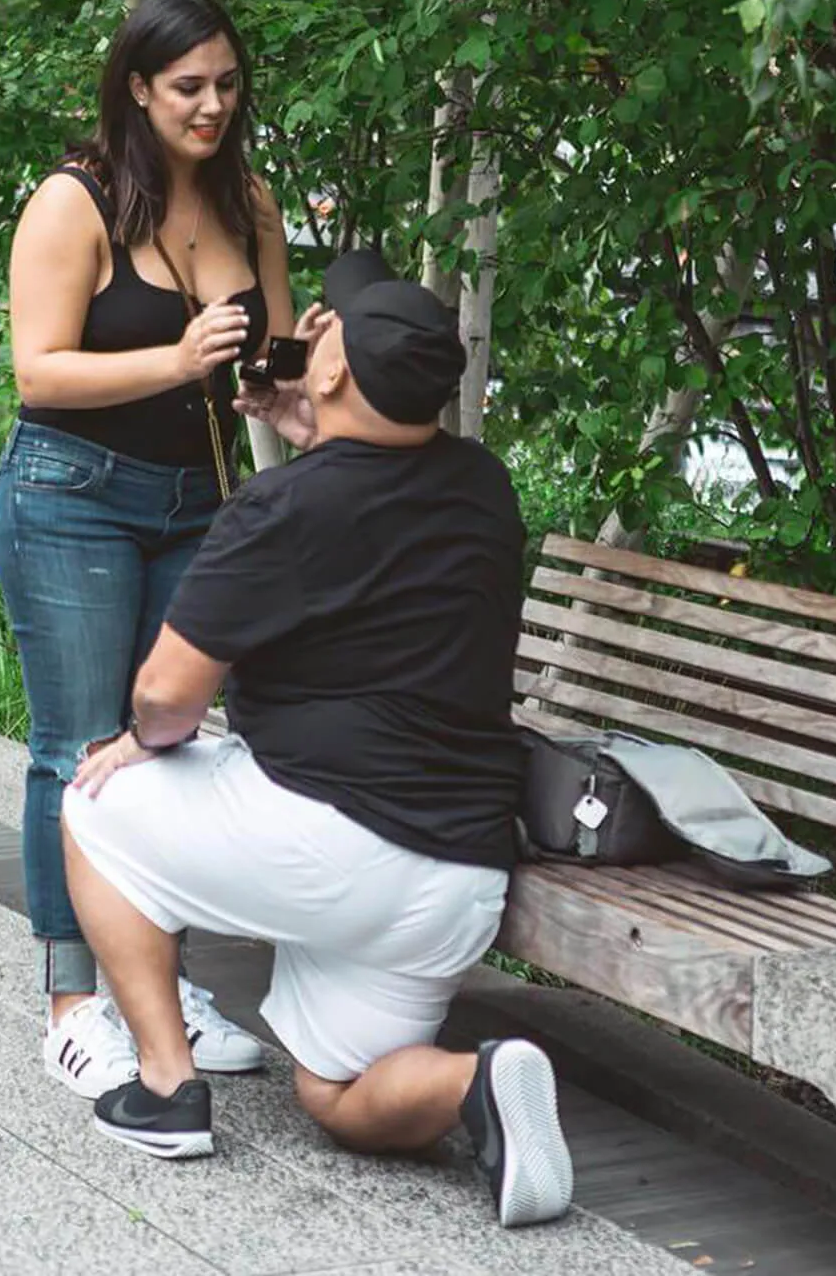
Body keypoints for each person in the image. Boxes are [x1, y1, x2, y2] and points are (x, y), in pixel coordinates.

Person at [59, 251, 574, 1229]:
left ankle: (167, 1086)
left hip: (327, 844)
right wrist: (317, 431)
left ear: (332, 368)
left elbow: (168, 691)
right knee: (336, 1092)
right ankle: (482, 1081)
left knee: (93, 801)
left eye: (326, 325)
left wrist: (140, 740)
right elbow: (379, 493)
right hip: (455, 874)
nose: (311, 329)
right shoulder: (482, 485)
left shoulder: (283, 506)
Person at [0, 0, 293, 1099]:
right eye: (187, 87)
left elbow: (274, 345)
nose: (211, 105)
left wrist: (283, 384)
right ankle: (75, 1003)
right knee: (76, 745)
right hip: (74, 492)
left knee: (165, 742)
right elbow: (37, 369)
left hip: (199, 501)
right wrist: (176, 360)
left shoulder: (246, 200)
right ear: (137, 87)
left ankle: (157, 984)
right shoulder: (75, 203)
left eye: (226, 83)